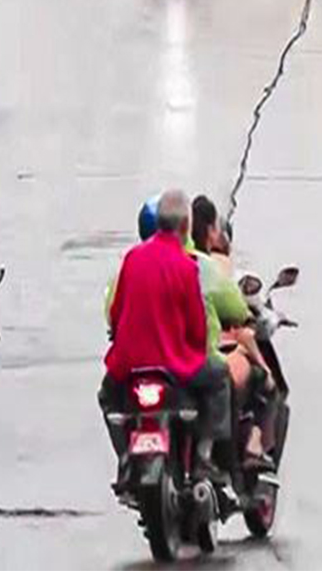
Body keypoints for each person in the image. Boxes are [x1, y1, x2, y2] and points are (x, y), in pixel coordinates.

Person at [103, 189, 228, 482]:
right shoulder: (188, 267)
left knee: (107, 396)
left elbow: (117, 314)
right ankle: (203, 457)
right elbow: (198, 328)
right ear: (186, 226)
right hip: (174, 366)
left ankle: (124, 458)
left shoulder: (132, 259)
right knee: (220, 377)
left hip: (130, 367)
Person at [191, 195, 277, 471]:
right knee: (255, 377)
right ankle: (237, 452)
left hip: (163, 360)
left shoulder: (145, 264)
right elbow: (238, 310)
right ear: (211, 232)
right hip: (202, 355)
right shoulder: (209, 268)